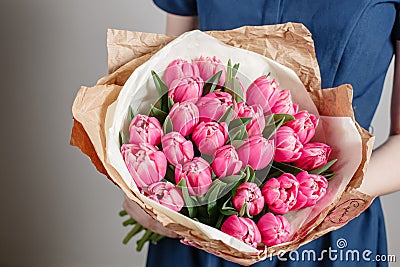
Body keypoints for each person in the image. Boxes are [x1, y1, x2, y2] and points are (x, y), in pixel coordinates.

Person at [123, 1, 400, 266]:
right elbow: (169, 77)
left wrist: (317, 203)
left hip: (328, 233)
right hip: (194, 217)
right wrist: (140, 184)